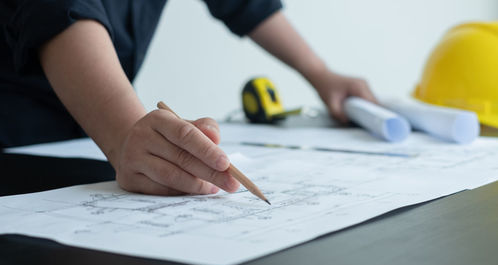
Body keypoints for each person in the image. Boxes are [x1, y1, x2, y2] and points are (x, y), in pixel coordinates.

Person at [0, 0, 377, 195]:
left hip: (87, 142)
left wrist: (320, 73)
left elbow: (247, 4)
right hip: (16, 143)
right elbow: (57, 10)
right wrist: (125, 135)